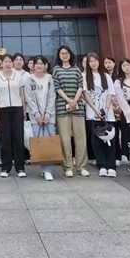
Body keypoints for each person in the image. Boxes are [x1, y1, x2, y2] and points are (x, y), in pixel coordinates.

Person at [53, 45, 90, 177]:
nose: (64, 55)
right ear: (59, 56)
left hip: (78, 108)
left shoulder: (76, 69)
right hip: (62, 108)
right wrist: (68, 100)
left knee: (81, 138)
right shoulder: (56, 70)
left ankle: (81, 166)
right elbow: (57, 87)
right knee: (65, 139)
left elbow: (80, 86)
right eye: (62, 53)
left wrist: (74, 100)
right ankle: (68, 166)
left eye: (66, 53)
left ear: (70, 54)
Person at [82, 52, 117, 177]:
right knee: (96, 140)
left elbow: (110, 94)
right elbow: (85, 95)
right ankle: (101, 165)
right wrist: (95, 109)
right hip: (93, 113)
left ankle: (111, 166)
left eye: (95, 61)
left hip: (107, 113)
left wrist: (106, 109)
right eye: (90, 61)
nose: (93, 63)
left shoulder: (106, 76)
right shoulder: (84, 76)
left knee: (110, 138)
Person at [0, 54, 27, 178]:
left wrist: (24, 111)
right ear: (1, 63)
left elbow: (22, 94)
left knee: (18, 138)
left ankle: (20, 167)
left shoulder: (18, 76)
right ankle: (5, 167)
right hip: (3, 108)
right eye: (5, 61)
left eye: (9, 61)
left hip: (17, 108)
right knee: (5, 139)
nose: (7, 64)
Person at [25, 55, 56, 181]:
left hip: (50, 116)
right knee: (39, 142)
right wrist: (37, 114)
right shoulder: (29, 79)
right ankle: (43, 167)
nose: (39, 66)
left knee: (49, 141)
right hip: (35, 117)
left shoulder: (50, 79)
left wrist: (47, 114)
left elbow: (52, 97)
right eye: (37, 63)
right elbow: (29, 98)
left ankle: (48, 170)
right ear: (33, 66)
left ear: (45, 66)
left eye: (41, 63)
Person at [103, 57, 124, 165]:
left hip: (120, 109)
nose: (108, 65)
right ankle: (116, 156)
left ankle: (123, 155)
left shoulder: (119, 77)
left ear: (114, 63)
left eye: (109, 62)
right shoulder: (103, 77)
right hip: (109, 109)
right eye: (105, 63)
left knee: (123, 133)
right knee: (113, 134)